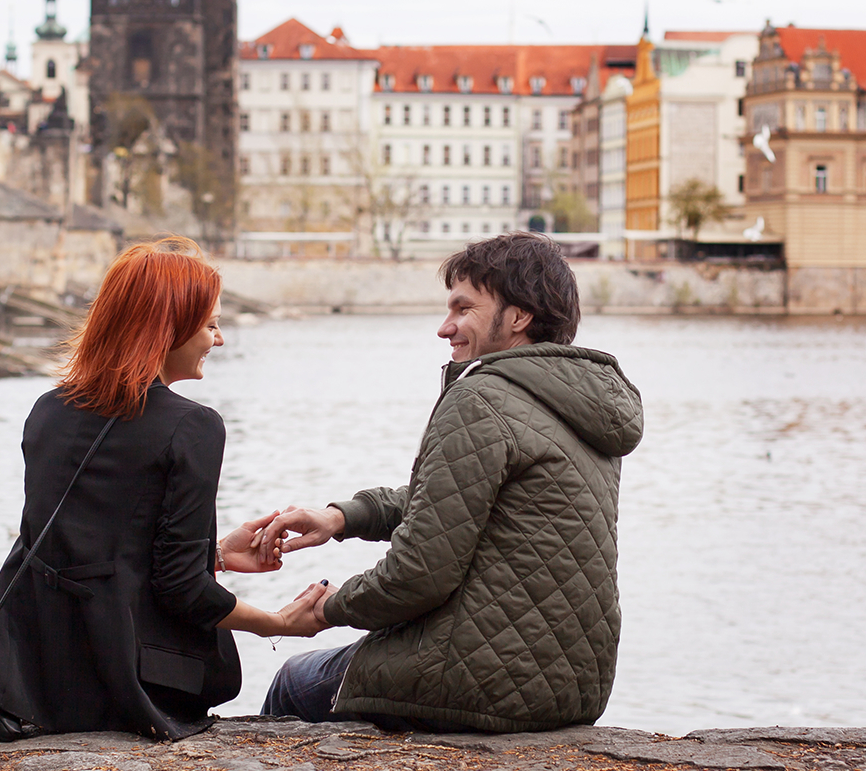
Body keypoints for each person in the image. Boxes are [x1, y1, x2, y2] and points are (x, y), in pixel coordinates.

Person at [253, 232, 644, 733]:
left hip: (480, 679)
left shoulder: (482, 396)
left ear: (519, 316)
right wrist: (342, 517)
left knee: (293, 680)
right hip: (574, 684)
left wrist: (328, 608)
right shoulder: (582, 401)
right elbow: (454, 501)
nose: (445, 328)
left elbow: (420, 572)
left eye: (463, 309)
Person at [0, 236, 328, 741]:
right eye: (210, 324)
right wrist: (275, 623)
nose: (219, 339)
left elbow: (87, 556)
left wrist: (217, 555)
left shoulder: (47, 410)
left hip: (36, 680)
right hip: (130, 690)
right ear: (169, 329)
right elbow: (181, 589)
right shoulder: (193, 426)